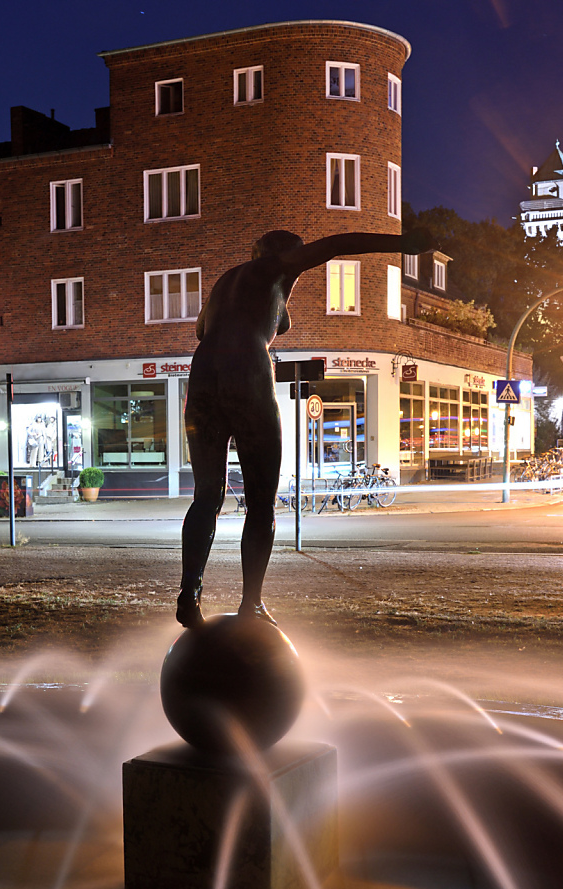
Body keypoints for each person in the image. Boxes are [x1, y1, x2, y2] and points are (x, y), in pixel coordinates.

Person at [177, 227, 433, 628]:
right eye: (300, 255)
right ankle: (252, 604)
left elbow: (199, 331)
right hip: (247, 369)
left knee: (206, 495)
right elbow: (338, 246)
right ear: (285, 253)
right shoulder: (277, 267)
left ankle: (190, 591)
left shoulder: (229, 280)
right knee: (261, 503)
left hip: (202, 373)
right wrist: (405, 244)